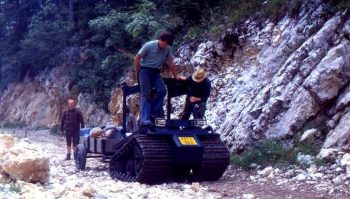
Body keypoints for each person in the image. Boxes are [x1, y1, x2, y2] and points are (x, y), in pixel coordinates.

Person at [134, 31, 178, 127]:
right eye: (163, 42)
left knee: (162, 90)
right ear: (160, 40)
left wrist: (176, 76)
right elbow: (137, 58)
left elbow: (170, 63)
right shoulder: (148, 45)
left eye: (166, 44)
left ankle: (153, 113)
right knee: (145, 94)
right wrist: (138, 73)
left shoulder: (168, 49)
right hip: (145, 71)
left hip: (156, 72)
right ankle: (145, 119)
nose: (164, 45)